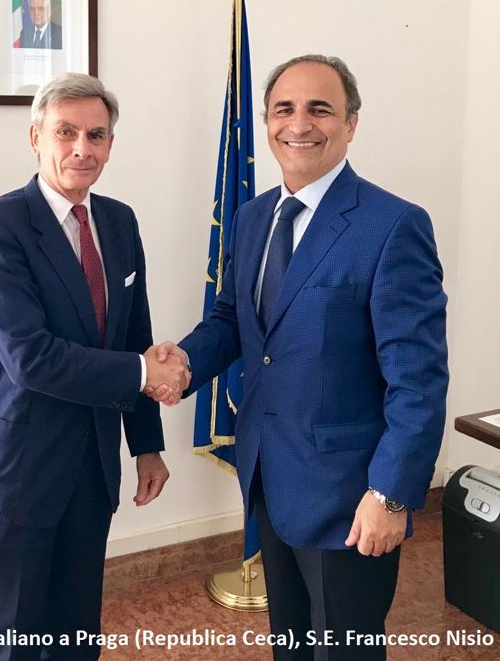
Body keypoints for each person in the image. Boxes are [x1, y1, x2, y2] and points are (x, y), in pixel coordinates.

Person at [149, 55, 448, 661]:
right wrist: (184, 362)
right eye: (284, 109)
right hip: (269, 473)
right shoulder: (252, 217)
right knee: (292, 643)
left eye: (320, 109)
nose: (300, 124)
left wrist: (391, 494)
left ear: (351, 123)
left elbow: (418, 382)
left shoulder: (393, 225)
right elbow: (232, 319)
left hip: (351, 496)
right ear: (267, 122)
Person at [0, 72, 189, 661]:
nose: (82, 149)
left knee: (75, 636)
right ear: (36, 137)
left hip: (91, 471)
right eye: (66, 132)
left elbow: (134, 337)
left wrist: (146, 445)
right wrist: (145, 374)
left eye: (96, 135)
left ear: (110, 145)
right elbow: (29, 357)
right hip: (18, 473)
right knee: (10, 642)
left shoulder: (119, 221)